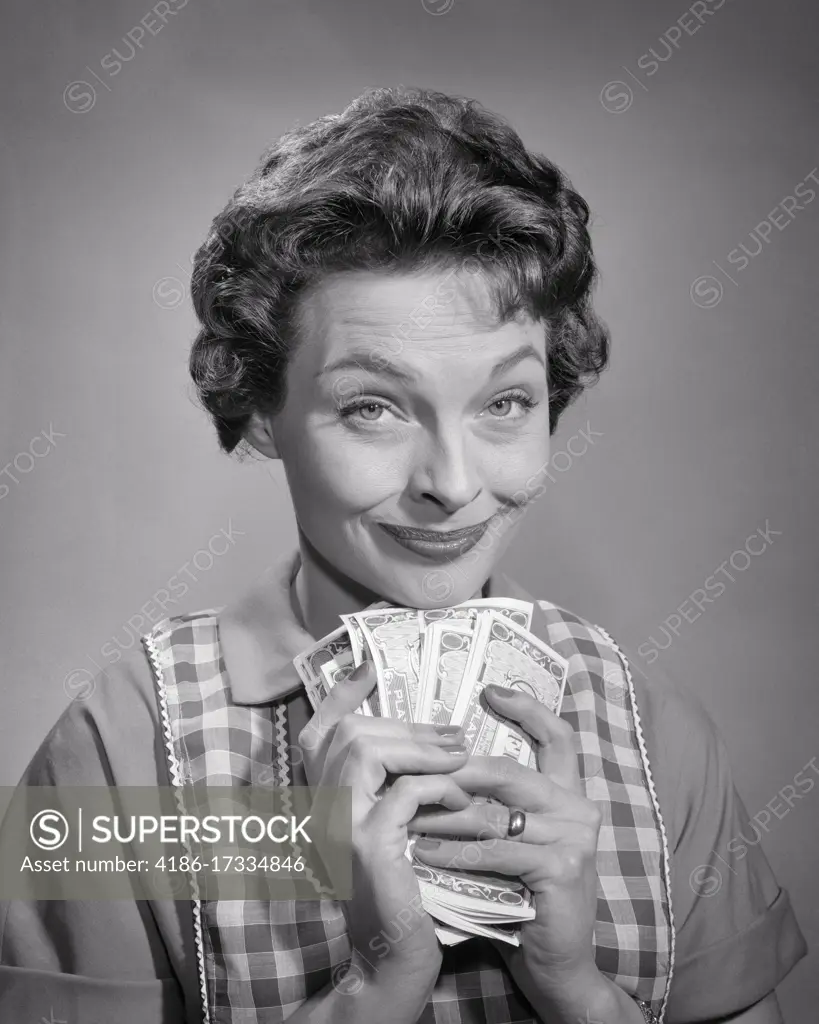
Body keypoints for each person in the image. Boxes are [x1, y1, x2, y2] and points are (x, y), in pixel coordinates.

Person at [0, 86, 807, 1024]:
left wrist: (576, 992)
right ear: (261, 409)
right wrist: (373, 989)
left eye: (504, 402)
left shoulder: (659, 738)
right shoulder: (113, 747)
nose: (451, 483)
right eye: (371, 408)